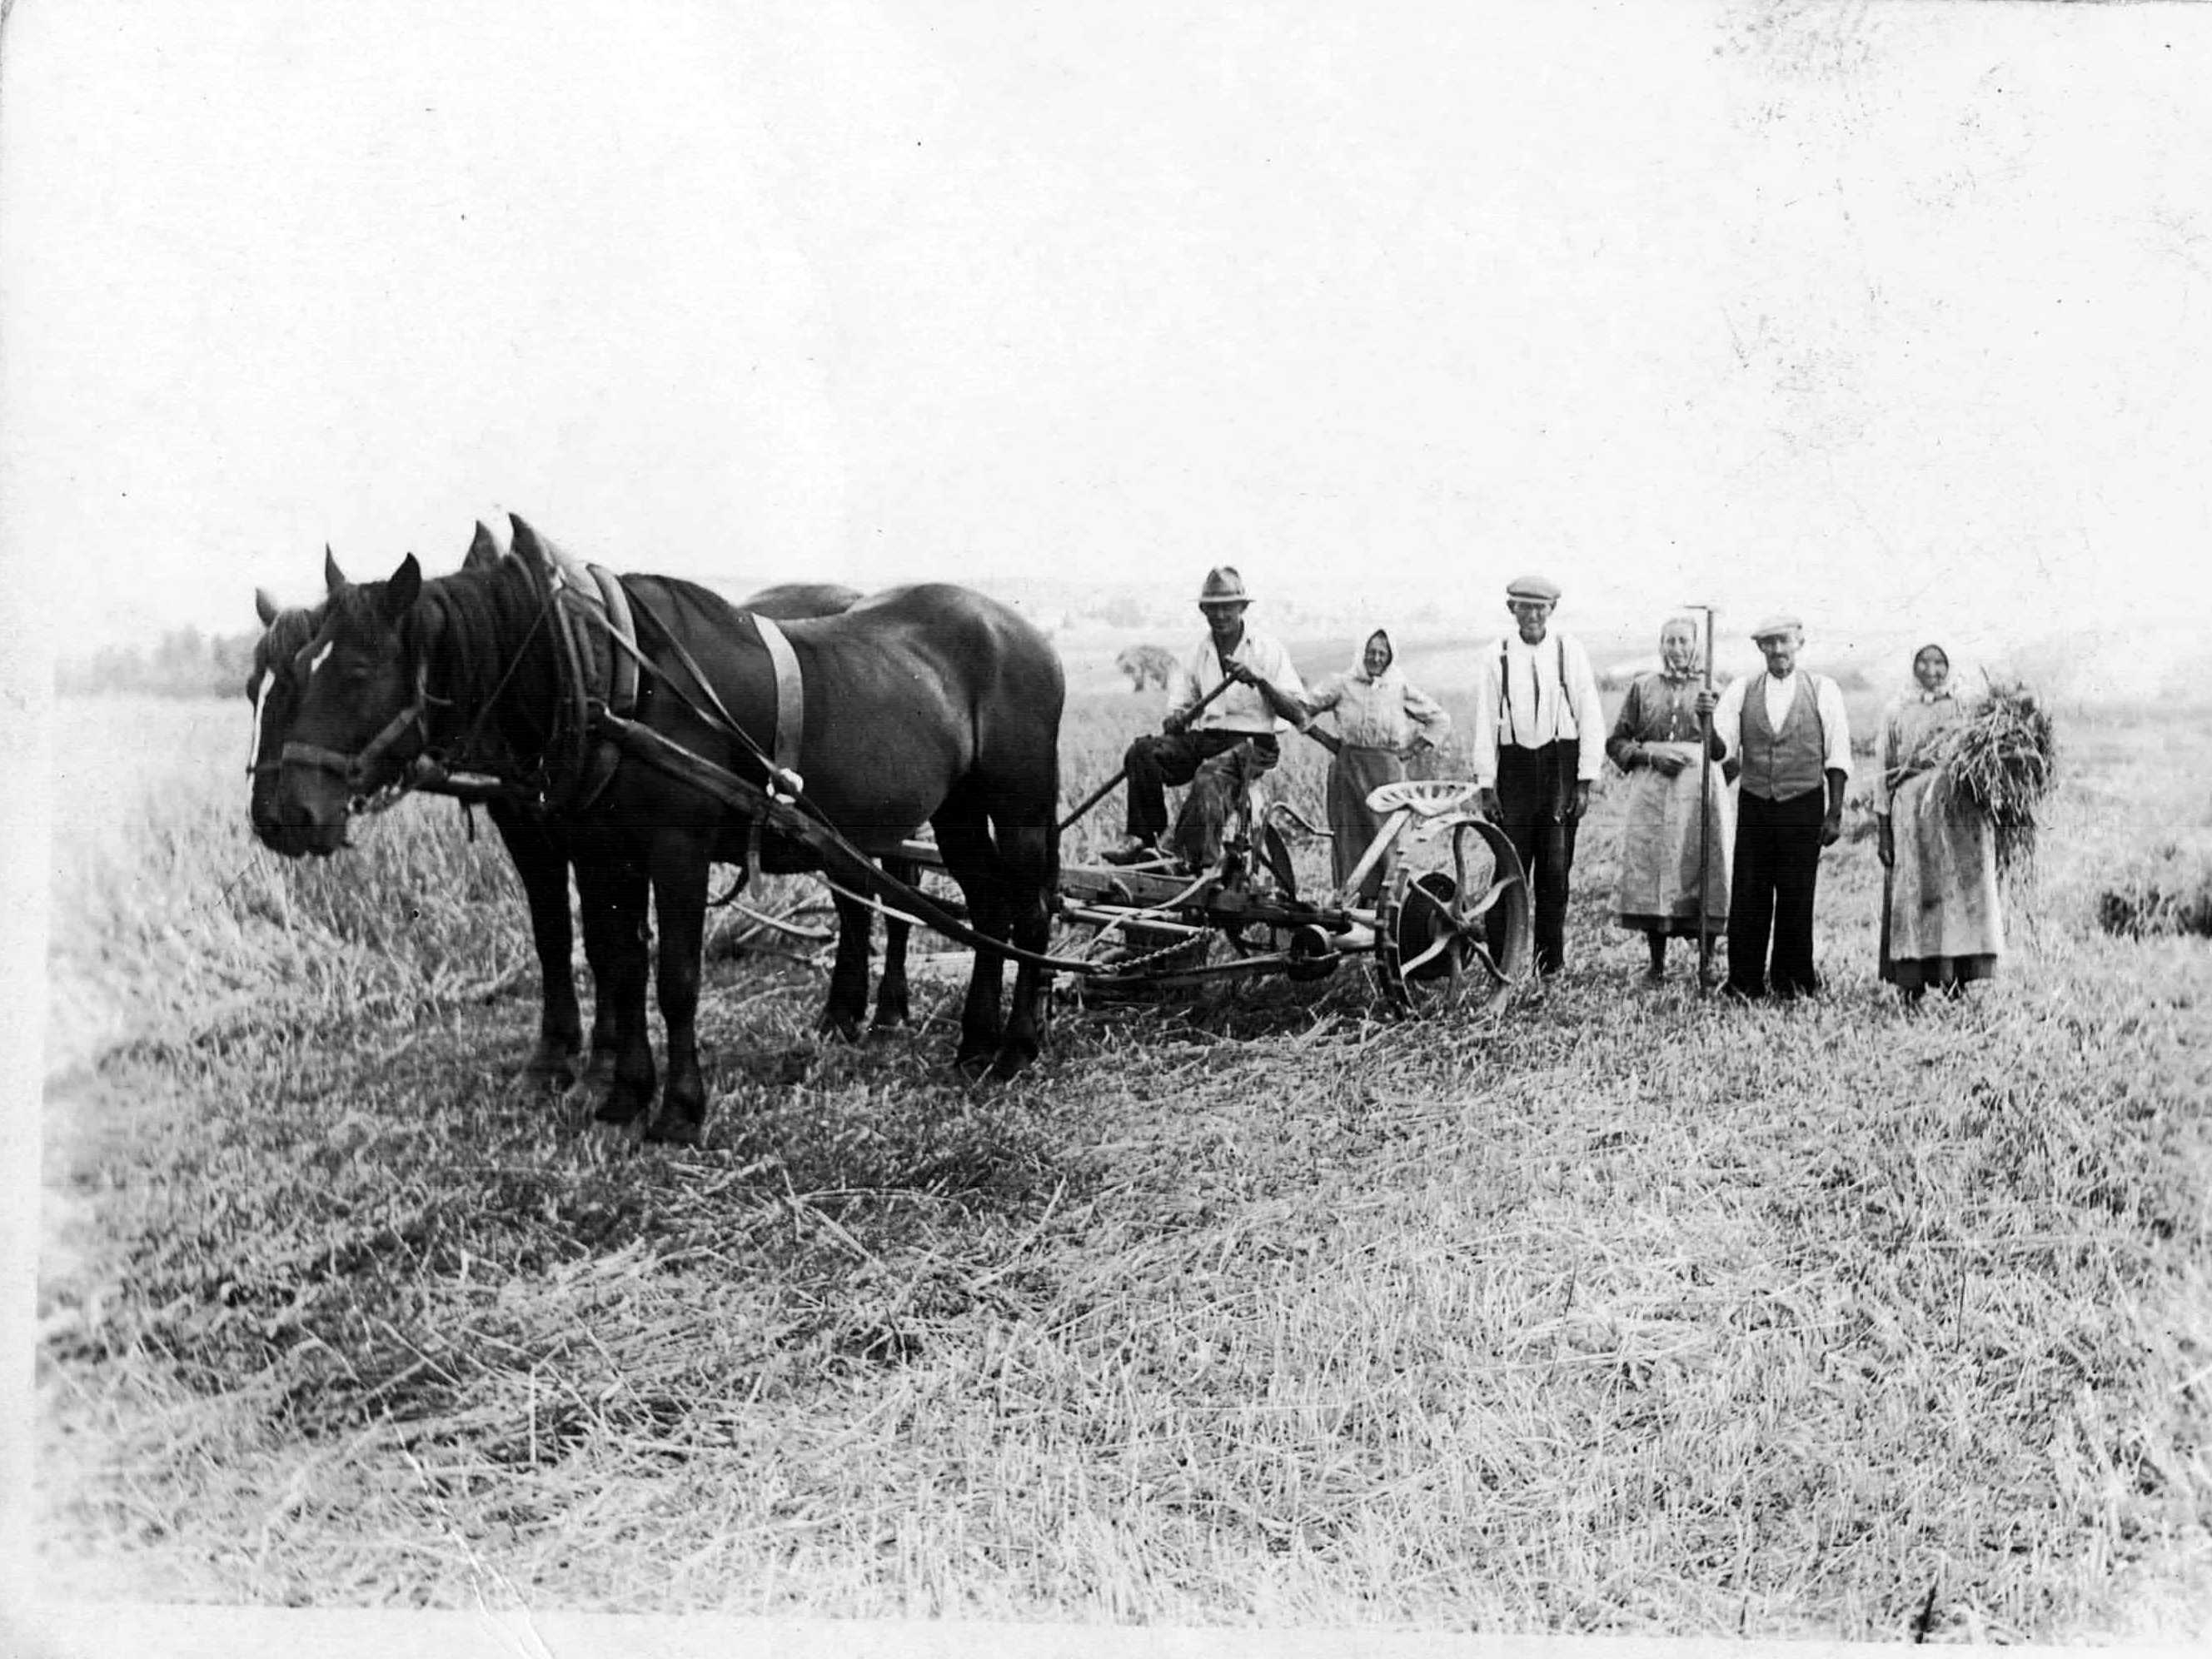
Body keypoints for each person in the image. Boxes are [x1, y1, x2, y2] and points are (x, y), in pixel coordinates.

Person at [1104, 565, 1309, 871]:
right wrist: (1175, 719)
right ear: (1203, 610)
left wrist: (1260, 680)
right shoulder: (1199, 652)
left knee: (1211, 776)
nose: (1221, 615)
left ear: (1242, 607)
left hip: (1254, 745)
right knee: (1143, 752)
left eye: (1228, 607)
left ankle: (1190, 861)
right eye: (1213, 608)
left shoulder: (1267, 649)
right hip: (1209, 739)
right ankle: (1144, 842)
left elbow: (1298, 712)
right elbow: (1179, 706)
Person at [1695, 615, 1851, 999]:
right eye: (1770, 643)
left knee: (1797, 894)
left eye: (1785, 641)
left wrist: (1834, 812)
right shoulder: (1742, 689)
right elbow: (1720, 750)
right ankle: (1744, 982)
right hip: (1756, 803)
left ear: (1800, 643)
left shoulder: (1823, 689)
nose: (1778, 650)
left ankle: (1793, 983)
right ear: (1760, 648)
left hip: (1803, 803)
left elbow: (1838, 754)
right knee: (1750, 893)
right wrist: (1705, 720)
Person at [1470, 574, 1607, 976]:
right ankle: (1501, 964)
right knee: (1509, 868)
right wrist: (1486, 784)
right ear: (1511, 608)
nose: (1532, 615)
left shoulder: (1568, 650)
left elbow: (1590, 715)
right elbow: (1485, 721)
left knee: (1555, 870)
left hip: (1559, 767)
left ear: (1552, 610)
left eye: (1539, 608)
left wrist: (1584, 782)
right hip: (1514, 770)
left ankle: (1550, 964)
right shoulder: (1497, 654)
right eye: (1524, 607)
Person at [1607, 615, 1735, 982]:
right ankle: (1656, 965)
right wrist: (1649, 756)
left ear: (1696, 644)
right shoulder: (1642, 688)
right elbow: (1617, 742)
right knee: (1652, 866)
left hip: (1699, 794)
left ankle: (1706, 962)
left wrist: (1709, 720)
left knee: (1704, 864)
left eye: (1684, 641)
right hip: (1653, 791)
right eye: (1670, 641)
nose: (1677, 649)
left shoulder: (1712, 690)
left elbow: (1723, 752)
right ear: (1660, 645)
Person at [1875, 643, 2003, 1004]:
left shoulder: (1966, 706)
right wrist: (1883, 830)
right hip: (1911, 813)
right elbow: (1882, 770)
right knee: (1915, 895)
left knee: (1955, 895)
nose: (1930, 671)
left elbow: (1987, 759)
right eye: (1922, 662)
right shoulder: (1897, 709)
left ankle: (1956, 981)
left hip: (1958, 812)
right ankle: (1911, 983)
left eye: (1939, 662)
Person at [1303, 628, 1452, 903]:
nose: (1376, 659)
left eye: (1382, 654)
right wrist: (1326, 740)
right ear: (1361, 653)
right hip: (1348, 771)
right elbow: (1301, 708)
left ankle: (1389, 906)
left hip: (1387, 774)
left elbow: (1440, 720)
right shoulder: (1343, 684)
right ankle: (1351, 902)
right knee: (1349, 838)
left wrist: (1410, 750)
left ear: (1391, 657)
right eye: (1371, 652)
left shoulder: (1399, 687)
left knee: (1388, 840)